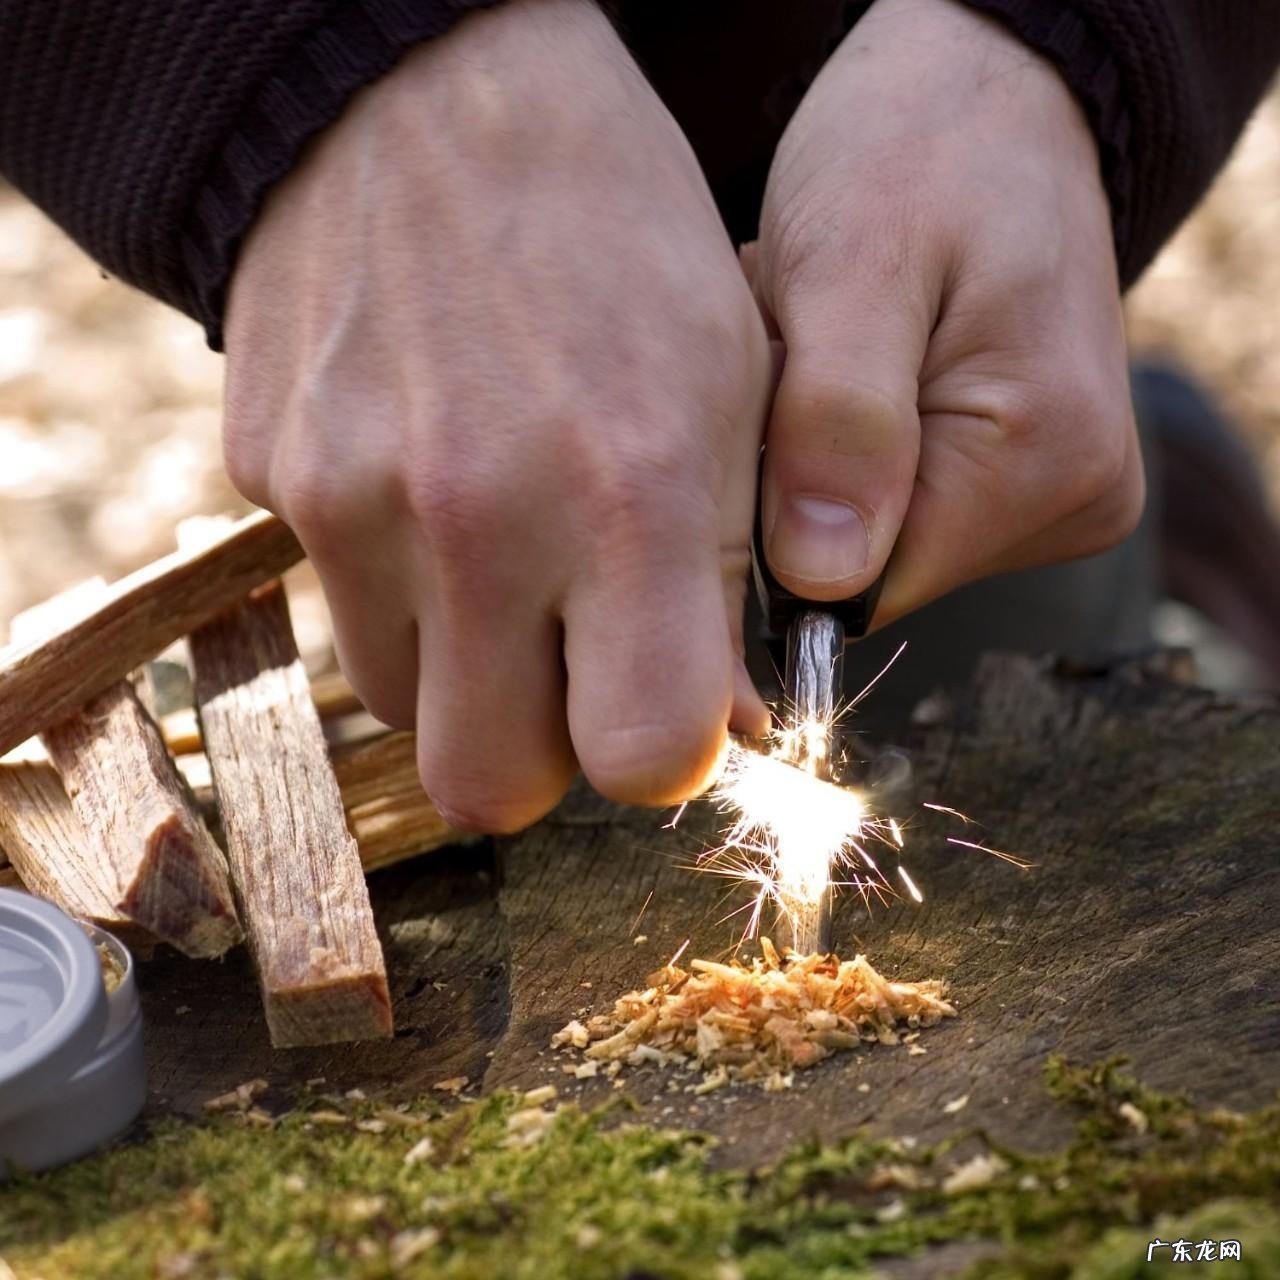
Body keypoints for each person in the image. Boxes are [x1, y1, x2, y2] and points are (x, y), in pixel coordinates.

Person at [2, 1, 1278, 829]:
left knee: (1011, 728)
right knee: (581, 772)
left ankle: (1184, 565)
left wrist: (1085, 39)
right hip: (444, 253)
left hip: (900, 148)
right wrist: (300, 55)